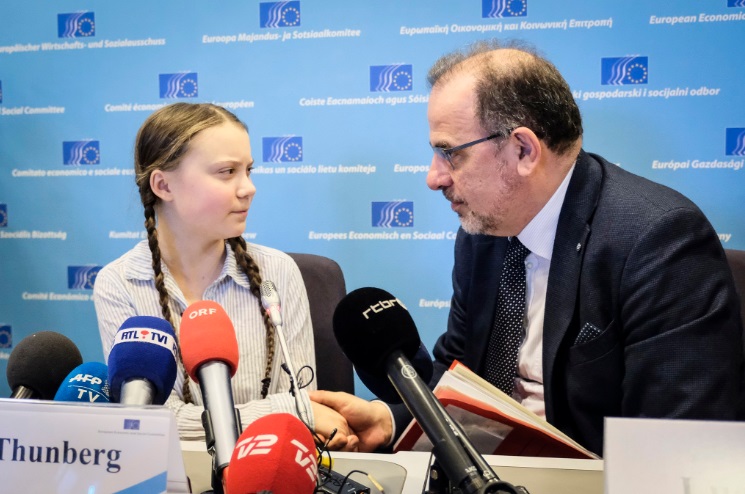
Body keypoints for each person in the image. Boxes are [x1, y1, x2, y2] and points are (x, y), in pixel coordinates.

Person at [311, 40, 744, 456]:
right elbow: (460, 380)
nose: (434, 177)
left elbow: (675, 445)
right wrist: (390, 421)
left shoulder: (658, 241)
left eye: (450, 154)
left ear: (523, 149)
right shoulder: (482, 234)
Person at [93, 102, 354, 448]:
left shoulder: (277, 273)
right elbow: (147, 420)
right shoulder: (119, 284)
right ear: (163, 186)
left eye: (248, 170)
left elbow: (306, 412)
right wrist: (282, 411)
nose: (248, 188)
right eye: (227, 172)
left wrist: (295, 413)